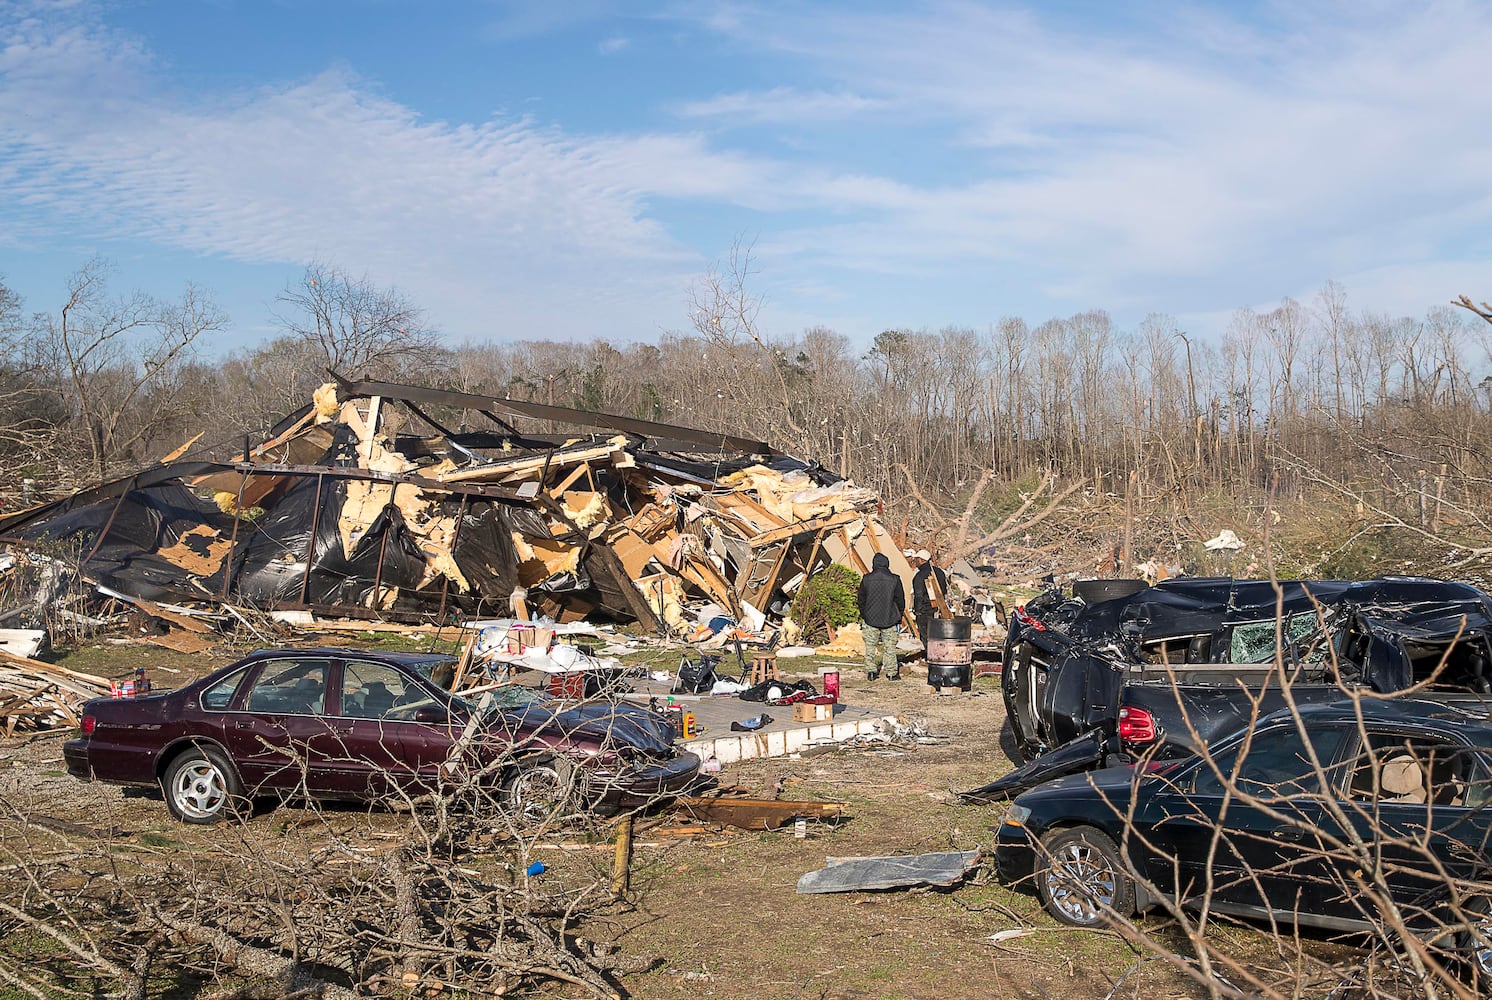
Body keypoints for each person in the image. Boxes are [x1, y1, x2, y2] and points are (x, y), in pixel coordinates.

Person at [856, 552, 905, 680]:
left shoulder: (866, 579)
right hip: (890, 618)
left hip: (870, 618)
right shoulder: (895, 579)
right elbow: (900, 600)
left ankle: (871, 672)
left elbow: (861, 599)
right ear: (887, 564)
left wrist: (865, 614)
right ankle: (891, 673)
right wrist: (898, 615)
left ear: (873, 564)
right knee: (890, 648)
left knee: (870, 647)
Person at [910, 548, 948, 658]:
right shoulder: (939, 572)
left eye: (916, 559)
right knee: (937, 635)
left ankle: (930, 657)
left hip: (925, 611)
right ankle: (939, 655)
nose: (914, 562)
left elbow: (918, 595)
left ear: (922, 560)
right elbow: (943, 591)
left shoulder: (919, 576)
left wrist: (918, 611)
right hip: (939, 609)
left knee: (926, 635)